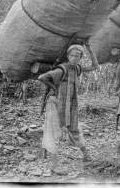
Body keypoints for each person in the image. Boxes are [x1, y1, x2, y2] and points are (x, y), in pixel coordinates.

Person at [37, 42, 99, 174]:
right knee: (54, 132)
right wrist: (55, 88)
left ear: (80, 57)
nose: (75, 58)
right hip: (55, 103)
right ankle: (53, 166)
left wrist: (89, 47)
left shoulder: (77, 68)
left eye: (78, 56)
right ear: (68, 56)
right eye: (72, 55)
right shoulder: (62, 69)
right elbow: (42, 77)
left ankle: (86, 156)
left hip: (70, 104)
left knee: (75, 128)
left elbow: (95, 66)